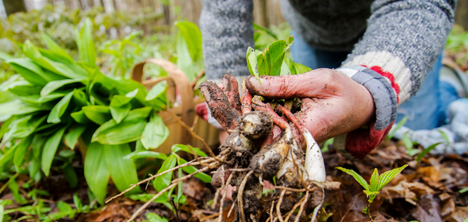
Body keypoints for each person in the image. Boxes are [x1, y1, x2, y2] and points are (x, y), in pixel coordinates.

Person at [197, 0, 468, 159]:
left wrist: (371, 84)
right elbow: (224, 12)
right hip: (313, 34)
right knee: (313, 127)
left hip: (399, 30)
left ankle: (448, 84)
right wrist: (233, 119)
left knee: (409, 131)